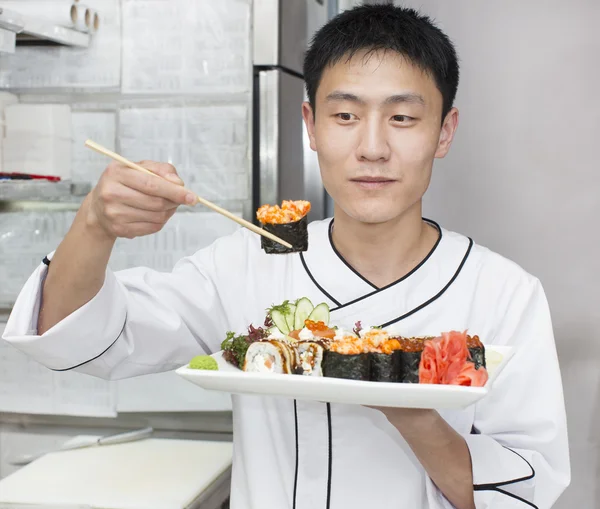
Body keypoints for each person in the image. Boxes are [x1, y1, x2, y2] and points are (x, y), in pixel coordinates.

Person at [2, 4, 570, 509]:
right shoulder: (250, 263)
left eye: (402, 117)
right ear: (311, 126)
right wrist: (96, 224)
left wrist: (408, 403)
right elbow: (75, 337)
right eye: (345, 115)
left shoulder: (503, 293)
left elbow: (527, 491)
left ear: (444, 132)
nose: (372, 147)